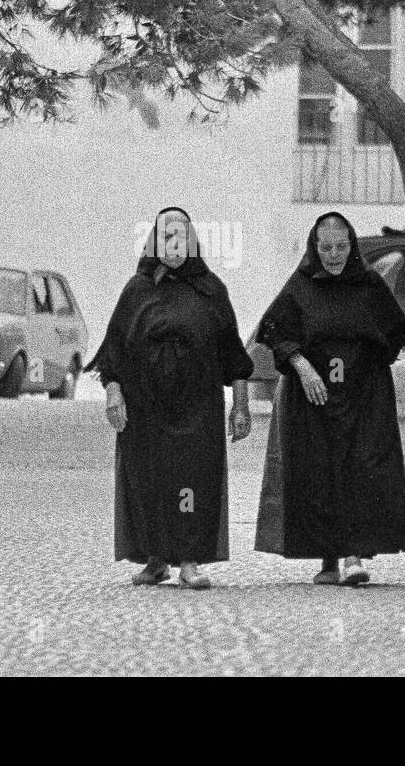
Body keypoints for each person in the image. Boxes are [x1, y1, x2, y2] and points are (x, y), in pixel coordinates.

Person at [87, 207, 254, 589]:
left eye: (181, 235)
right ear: (154, 243)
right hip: (146, 408)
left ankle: (190, 561)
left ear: (193, 241)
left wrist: (241, 407)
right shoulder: (137, 290)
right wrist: (113, 393)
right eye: (166, 236)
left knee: (191, 483)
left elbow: (234, 358)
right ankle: (156, 559)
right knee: (147, 482)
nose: (174, 243)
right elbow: (113, 353)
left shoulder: (211, 290)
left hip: (197, 409)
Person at [254, 212, 405, 585]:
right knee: (318, 472)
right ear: (315, 247)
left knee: (360, 470)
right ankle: (328, 559)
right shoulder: (299, 285)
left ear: (352, 246)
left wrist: (366, 367)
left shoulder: (369, 284)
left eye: (341, 246)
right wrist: (302, 365)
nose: (334, 255)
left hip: (363, 396)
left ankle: (355, 557)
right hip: (314, 396)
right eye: (326, 247)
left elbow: (395, 334)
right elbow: (275, 331)